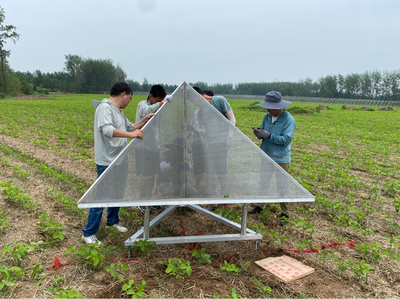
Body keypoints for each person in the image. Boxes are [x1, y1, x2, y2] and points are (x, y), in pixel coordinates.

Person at [82, 82, 154, 244]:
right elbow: (107, 130)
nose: (129, 101)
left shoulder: (118, 112)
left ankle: (112, 221)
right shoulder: (105, 108)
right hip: (107, 160)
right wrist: (132, 135)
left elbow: (130, 126)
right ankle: (88, 233)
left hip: (120, 159)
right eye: (129, 97)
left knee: (117, 193)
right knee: (102, 196)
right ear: (123, 94)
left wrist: (144, 120)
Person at [248, 91, 295, 226]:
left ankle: (285, 214)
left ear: (279, 106)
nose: (268, 110)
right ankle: (260, 207)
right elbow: (263, 130)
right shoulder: (267, 117)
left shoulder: (288, 119)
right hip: (266, 155)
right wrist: (259, 133)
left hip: (281, 158)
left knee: (282, 186)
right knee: (264, 182)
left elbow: (286, 139)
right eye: (267, 108)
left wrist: (268, 135)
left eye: (270, 108)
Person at [193, 87, 236, 210]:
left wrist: (229, 137)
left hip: (221, 143)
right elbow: (205, 131)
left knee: (222, 174)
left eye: (193, 100)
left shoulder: (219, 100)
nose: (194, 104)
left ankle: (226, 202)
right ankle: (214, 202)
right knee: (210, 174)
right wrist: (194, 129)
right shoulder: (200, 111)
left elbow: (232, 119)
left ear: (199, 96)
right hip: (209, 145)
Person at [135, 85, 172, 212]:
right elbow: (147, 112)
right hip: (143, 146)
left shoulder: (158, 108)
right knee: (145, 176)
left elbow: (157, 128)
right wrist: (161, 104)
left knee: (151, 175)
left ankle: (148, 200)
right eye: (157, 100)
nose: (159, 103)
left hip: (154, 147)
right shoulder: (142, 105)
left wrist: (159, 143)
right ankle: (141, 202)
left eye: (161, 101)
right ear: (150, 96)